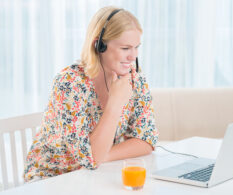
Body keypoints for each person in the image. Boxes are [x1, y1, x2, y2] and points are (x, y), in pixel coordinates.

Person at [24, 6, 159, 182]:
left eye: (136, 47)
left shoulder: (134, 79)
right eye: (125, 48)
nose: (133, 56)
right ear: (99, 45)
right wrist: (115, 103)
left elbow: (146, 141)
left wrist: (104, 155)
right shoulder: (69, 83)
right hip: (53, 179)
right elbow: (91, 158)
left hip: (95, 174)